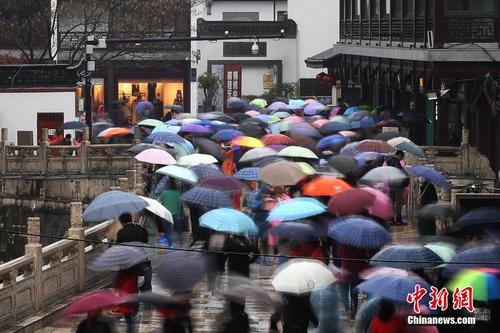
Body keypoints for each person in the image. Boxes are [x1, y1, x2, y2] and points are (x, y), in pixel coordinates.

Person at [116, 213, 152, 292]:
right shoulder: (140, 229)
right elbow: (145, 240)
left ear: (122, 222)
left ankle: (133, 296)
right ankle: (147, 289)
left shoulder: (121, 232)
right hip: (142, 259)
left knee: (132, 281)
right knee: (147, 270)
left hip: (129, 261)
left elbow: (119, 247)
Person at [385, 150, 408, 225]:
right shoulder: (397, 162)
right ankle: (398, 220)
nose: (401, 159)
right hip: (397, 185)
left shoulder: (388, 161)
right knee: (398, 203)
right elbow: (399, 172)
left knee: (391, 203)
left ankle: (391, 219)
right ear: (399, 155)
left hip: (390, 184)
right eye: (401, 157)